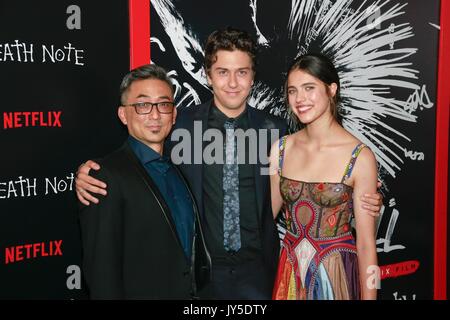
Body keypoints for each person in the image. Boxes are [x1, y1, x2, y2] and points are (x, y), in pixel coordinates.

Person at [75, 28, 382, 299]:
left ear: (253, 76)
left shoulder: (276, 132)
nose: (233, 83)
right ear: (208, 75)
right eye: (223, 72)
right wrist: (88, 173)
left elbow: (311, 180)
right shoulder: (178, 126)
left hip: (263, 274)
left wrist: (360, 195)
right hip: (201, 275)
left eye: (242, 72)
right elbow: (138, 157)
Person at [78, 64, 210, 299]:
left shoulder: (179, 169)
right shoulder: (104, 176)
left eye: (164, 104)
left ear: (174, 114)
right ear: (123, 114)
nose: (155, 115)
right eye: (142, 105)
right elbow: (102, 274)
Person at [270, 53, 379, 300]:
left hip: (337, 275)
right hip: (289, 275)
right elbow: (263, 217)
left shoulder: (360, 157)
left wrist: (371, 297)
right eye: (292, 91)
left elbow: (366, 245)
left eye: (309, 88)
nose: (300, 99)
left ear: (331, 89)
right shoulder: (280, 150)